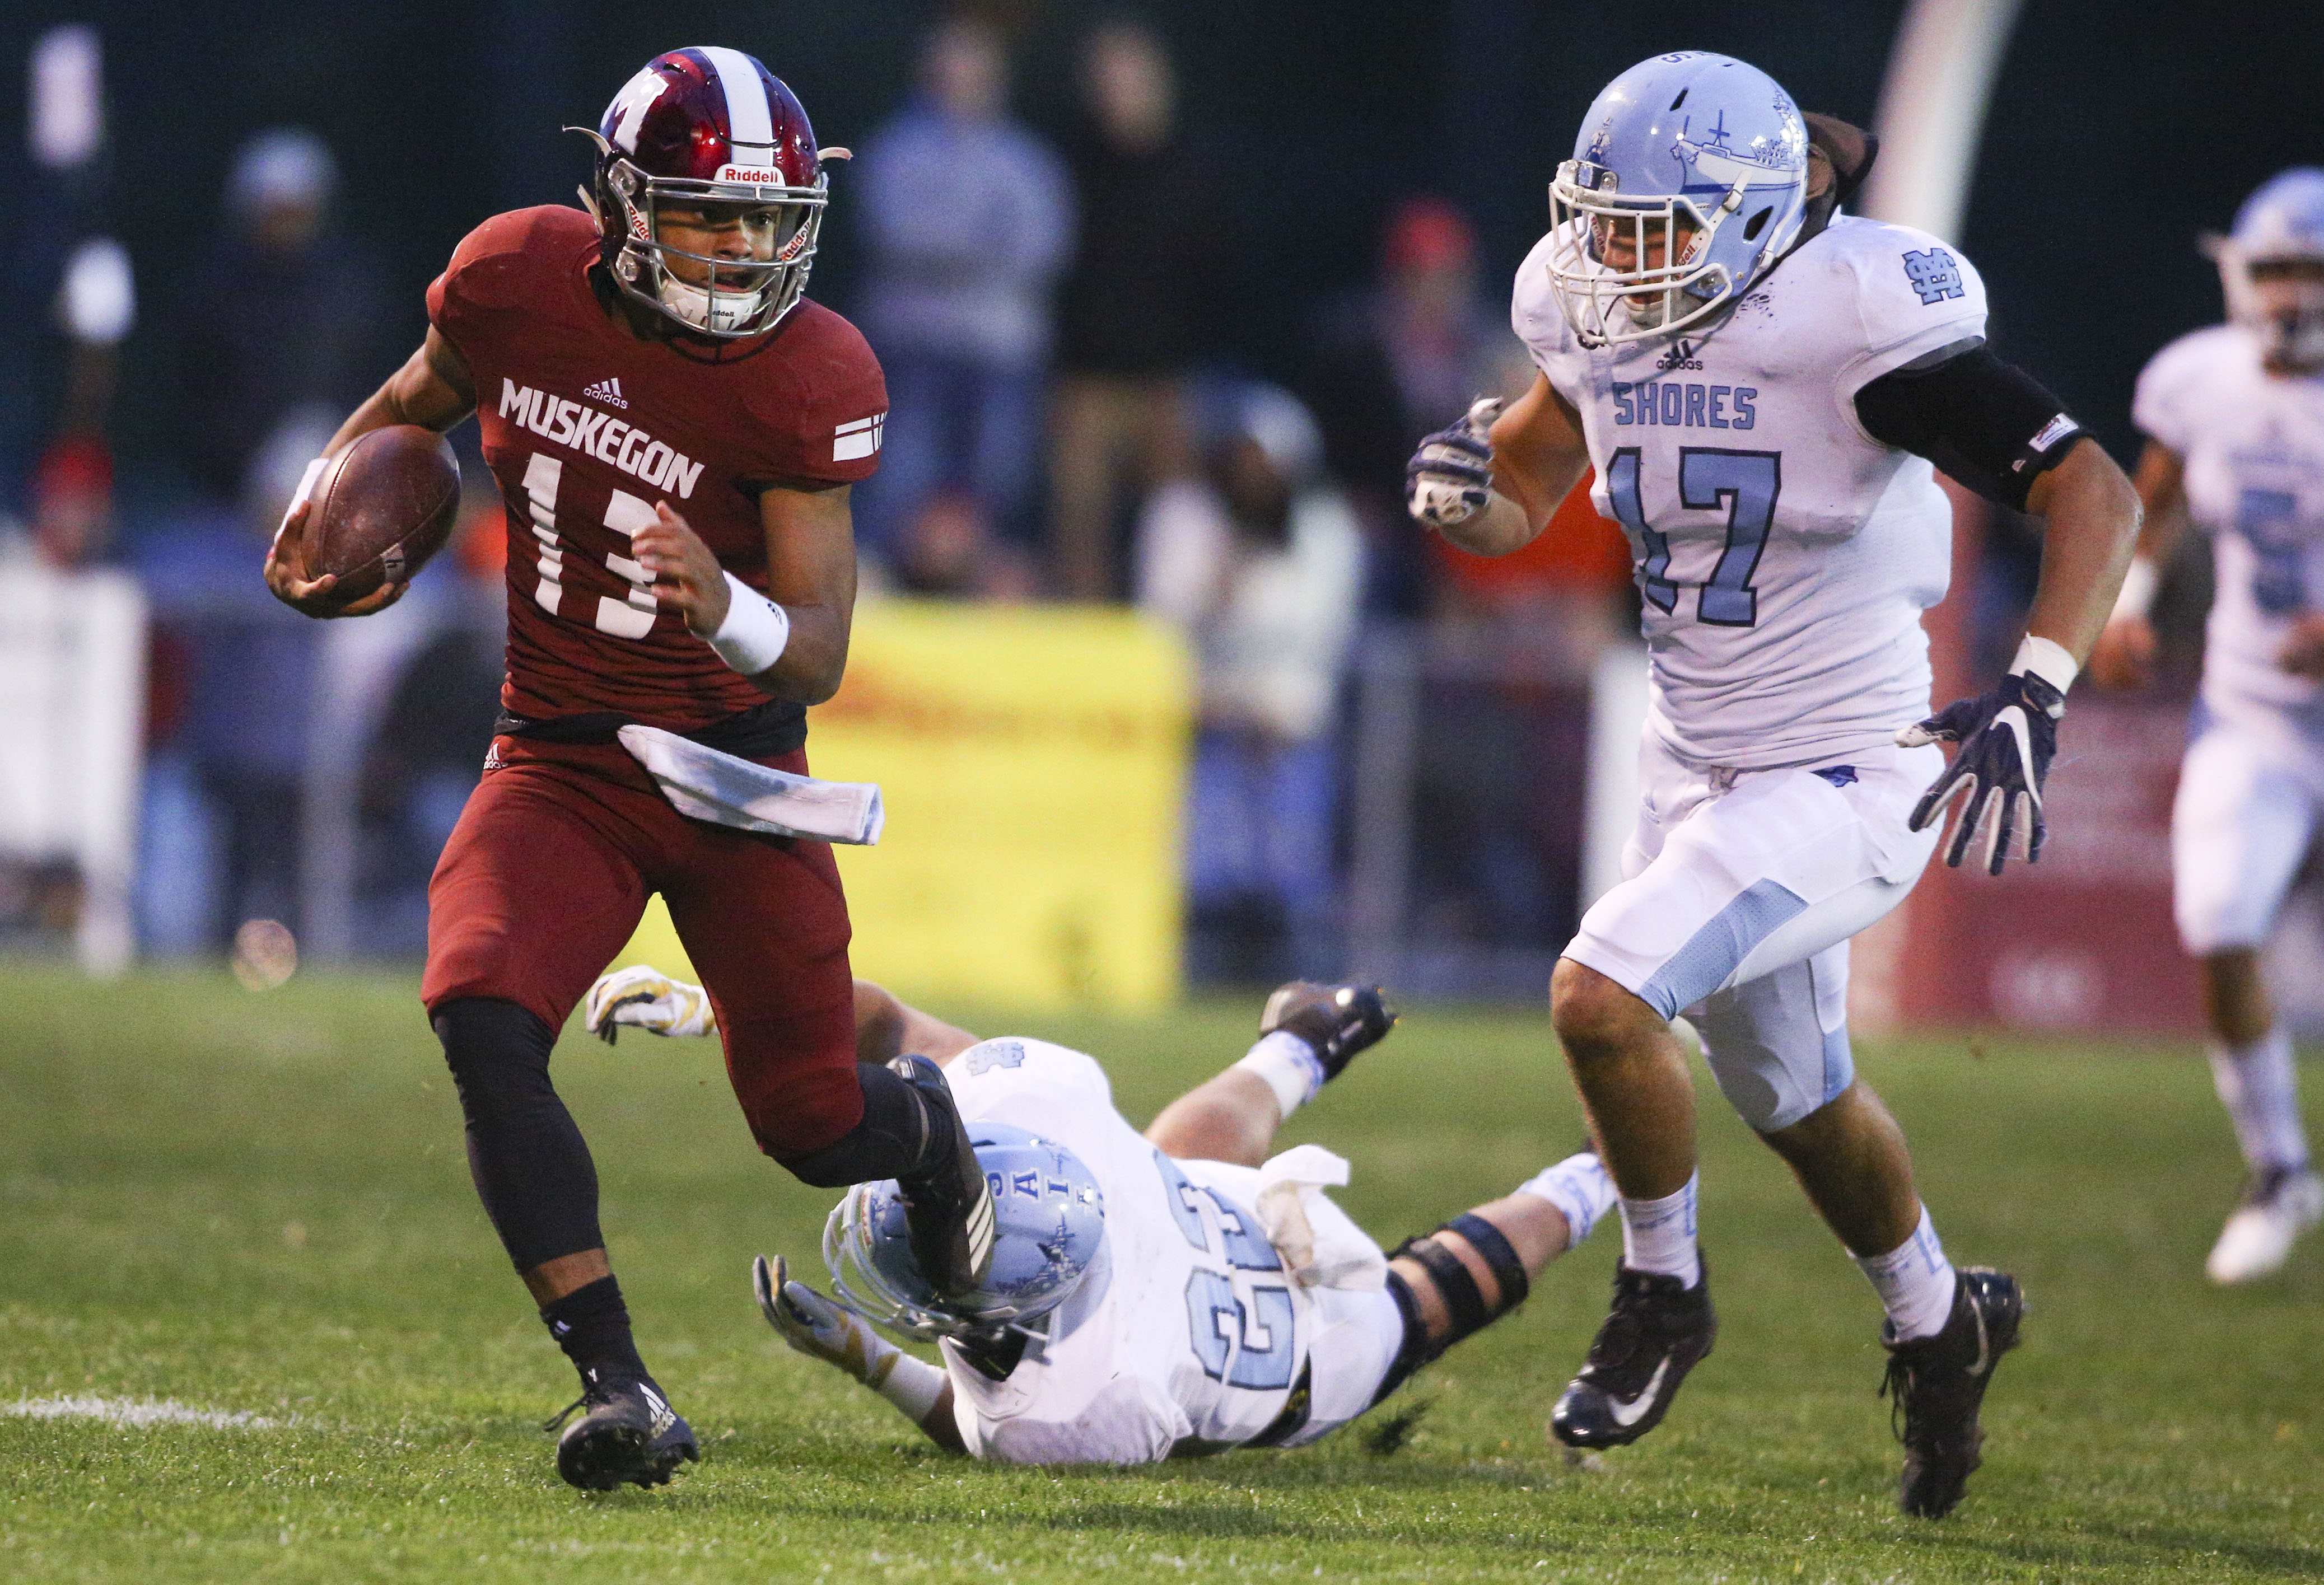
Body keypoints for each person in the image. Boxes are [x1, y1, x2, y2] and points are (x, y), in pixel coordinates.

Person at [1403, 55, 2142, 1517]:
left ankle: (1661, 1290)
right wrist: (1459, 500)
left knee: (1596, 994)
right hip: (1690, 756)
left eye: (1654, 230)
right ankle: (1939, 1316)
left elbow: (2090, 490)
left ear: (1748, 223)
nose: (1616, 258)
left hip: (1844, 767)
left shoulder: (1853, 316)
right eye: (1600, 224)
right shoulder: (1587, 298)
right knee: (1798, 1097)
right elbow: (1524, 490)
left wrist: (2039, 686)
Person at [257, 48, 996, 1494]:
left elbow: (821, 651)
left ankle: (935, 1135)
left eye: (770, 220)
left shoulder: (811, 366)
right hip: (563, 755)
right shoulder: (514, 281)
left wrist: (716, 599)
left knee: (812, 1121)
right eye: (708, 215)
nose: (743, 248)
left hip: (730, 776)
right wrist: (323, 513)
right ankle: (618, 1380)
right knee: (477, 1003)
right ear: (617, 203)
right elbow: (416, 403)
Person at [584, 966, 1618, 1463]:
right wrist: (730, 1007)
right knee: (1175, 1158)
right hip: (1200, 1213)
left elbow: (978, 1424)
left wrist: (863, 1353)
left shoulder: (1079, 1403)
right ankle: (1309, 1043)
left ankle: (1607, 1168)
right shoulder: (1039, 1110)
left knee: (1434, 1293)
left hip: (1300, 1351)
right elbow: (888, 1018)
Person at [2089, 168, 2324, 1283]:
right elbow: (2161, 492)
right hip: (2258, 707)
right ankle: (2277, 1165)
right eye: (2272, 268)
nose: (2288, 294)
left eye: (2309, 271)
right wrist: (2127, 606)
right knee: (2219, 915)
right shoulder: (2196, 378)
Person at [1136, 384, 1364, 981]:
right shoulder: (1188, 517)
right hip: (1205, 718)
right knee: (1205, 862)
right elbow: (1165, 620)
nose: (1250, 476)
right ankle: (1200, 969)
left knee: (1291, 864)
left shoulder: (1325, 528)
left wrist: (1268, 702)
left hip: (1288, 721)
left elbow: (1320, 630)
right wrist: (1224, 574)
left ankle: (1291, 973)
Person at [850, 19, 1072, 572]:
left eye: (973, 68)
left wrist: (948, 250)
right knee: (900, 470)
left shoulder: (1026, 161)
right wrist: (980, 246)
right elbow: (895, 234)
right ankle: (882, 582)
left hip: (1001, 349)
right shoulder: (894, 151)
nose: (960, 79)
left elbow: (1042, 248)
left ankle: (989, 589)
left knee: (997, 479)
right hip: (911, 342)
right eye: (950, 67)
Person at [1048, 18, 1211, 599]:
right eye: (1106, 78)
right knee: (1080, 523)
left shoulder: (1191, 171)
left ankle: (1169, 642)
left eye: (1129, 75)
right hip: (1085, 379)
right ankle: (1086, 652)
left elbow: (1213, 275)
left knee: (1177, 522)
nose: (1118, 90)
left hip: (1166, 381)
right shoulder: (1070, 166)